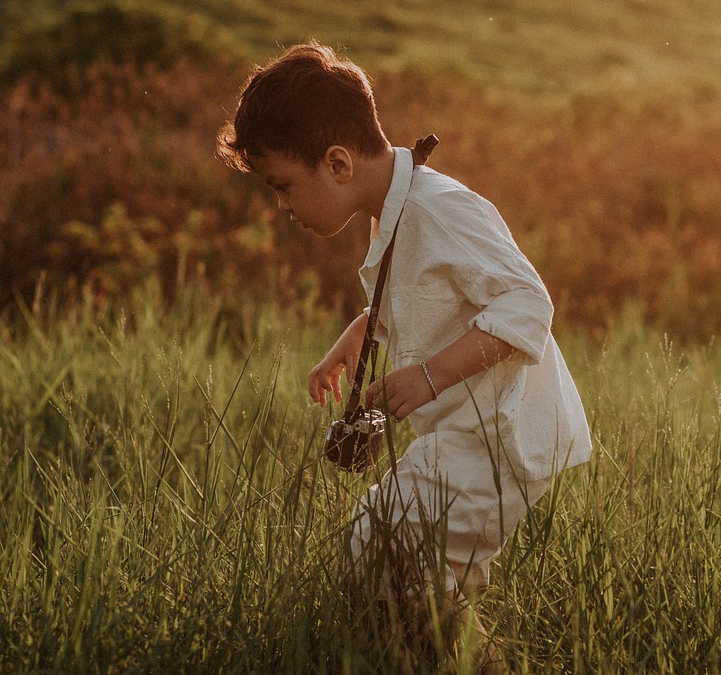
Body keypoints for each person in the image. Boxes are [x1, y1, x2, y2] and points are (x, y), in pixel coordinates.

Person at [216, 41, 591, 664]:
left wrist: (428, 376)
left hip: (502, 437)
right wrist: (358, 335)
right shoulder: (394, 205)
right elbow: (429, 293)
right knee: (397, 567)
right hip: (466, 434)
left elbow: (528, 304)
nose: (282, 206)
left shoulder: (438, 210)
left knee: (387, 554)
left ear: (338, 163)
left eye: (283, 187)